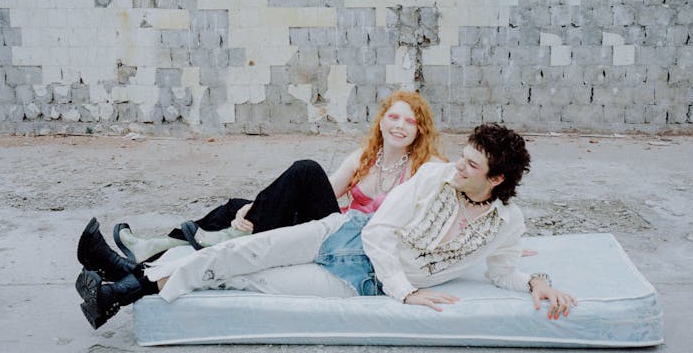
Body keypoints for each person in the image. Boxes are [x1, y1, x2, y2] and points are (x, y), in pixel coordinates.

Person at [75, 124, 577, 329]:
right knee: (241, 253)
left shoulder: (507, 223)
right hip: (344, 234)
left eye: (471, 166)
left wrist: (538, 283)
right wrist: (406, 292)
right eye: (462, 158)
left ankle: (122, 281)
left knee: (250, 278)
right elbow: (379, 231)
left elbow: (502, 270)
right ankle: (117, 291)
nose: (458, 167)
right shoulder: (431, 176)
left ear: (497, 179)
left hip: (359, 280)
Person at [76, 91, 446, 279]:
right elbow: (324, 197)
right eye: (393, 117)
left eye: (409, 121)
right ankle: (150, 248)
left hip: (353, 243)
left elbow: (453, 191)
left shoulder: (426, 167)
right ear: (382, 121)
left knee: (305, 169)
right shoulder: (362, 157)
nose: (399, 125)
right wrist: (254, 205)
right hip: (331, 223)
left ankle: (213, 236)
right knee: (235, 206)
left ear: (419, 130)